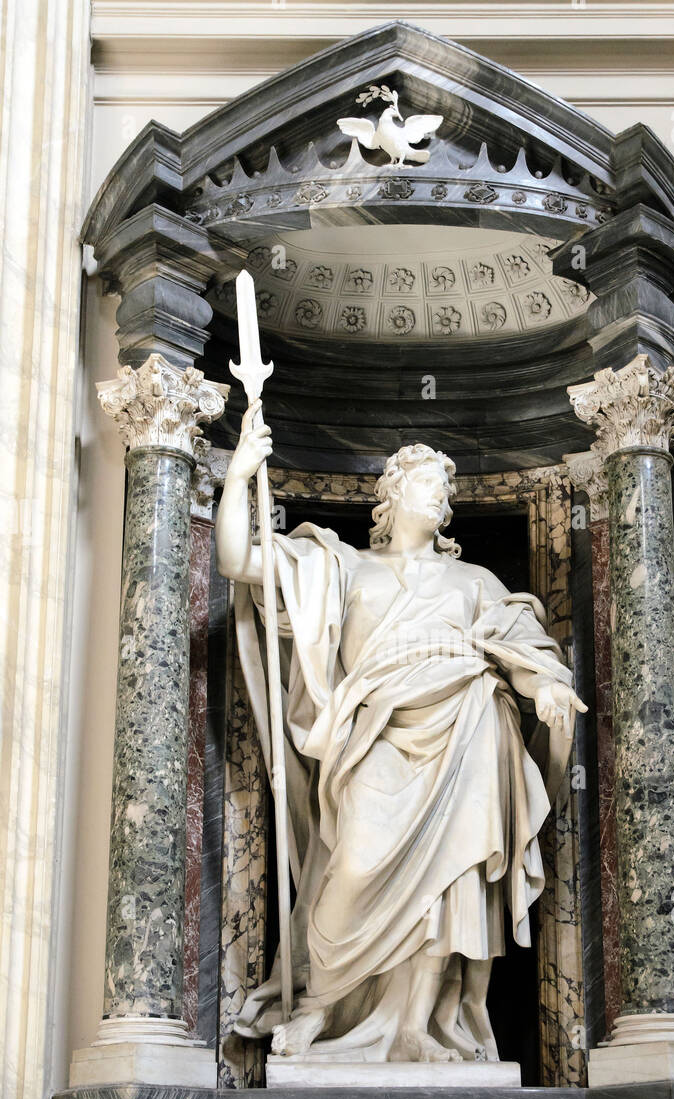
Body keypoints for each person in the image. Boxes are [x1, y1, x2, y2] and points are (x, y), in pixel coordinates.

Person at [216, 403, 586, 1064]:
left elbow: (523, 651)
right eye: (422, 480)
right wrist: (240, 473)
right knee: (353, 867)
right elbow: (236, 559)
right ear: (388, 492)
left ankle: (415, 1026)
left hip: (467, 724)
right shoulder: (341, 567)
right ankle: (319, 1008)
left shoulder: (473, 581)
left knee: (448, 883)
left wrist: (547, 688)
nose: (437, 493)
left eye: (444, 486)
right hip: (377, 735)